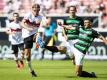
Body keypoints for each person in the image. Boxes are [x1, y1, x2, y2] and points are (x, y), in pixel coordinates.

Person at [21, 4, 43, 77]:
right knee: (27, 55)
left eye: (37, 10)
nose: (36, 11)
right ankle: (31, 70)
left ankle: (39, 41)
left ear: (39, 10)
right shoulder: (28, 15)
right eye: (35, 10)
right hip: (26, 35)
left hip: (34, 33)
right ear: (32, 9)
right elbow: (22, 23)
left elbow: (44, 25)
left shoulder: (40, 17)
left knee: (38, 35)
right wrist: (27, 28)